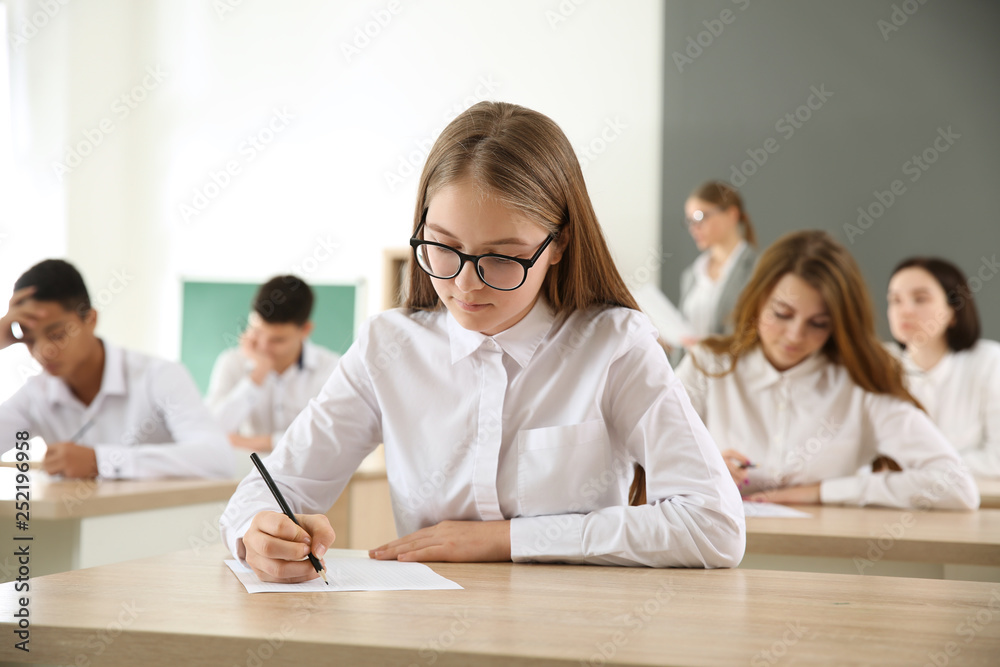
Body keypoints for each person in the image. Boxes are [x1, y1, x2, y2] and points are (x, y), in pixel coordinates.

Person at [220, 101, 745, 583]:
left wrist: (508, 539)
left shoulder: (614, 346)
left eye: (503, 256)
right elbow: (273, 488)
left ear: (559, 242)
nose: (466, 285)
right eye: (443, 248)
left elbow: (714, 524)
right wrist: (257, 535)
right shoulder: (388, 346)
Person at [675, 231, 978, 510]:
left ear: (837, 324)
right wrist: (700, 468)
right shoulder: (708, 364)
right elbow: (636, 463)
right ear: (757, 301)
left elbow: (957, 486)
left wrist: (820, 491)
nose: (794, 335)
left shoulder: (860, 381)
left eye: (818, 323)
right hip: (718, 549)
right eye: (782, 314)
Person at [0, 259, 233, 479]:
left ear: (90, 320)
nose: (43, 350)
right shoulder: (36, 393)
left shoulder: (159, 376)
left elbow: (217, 459)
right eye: (29, 339)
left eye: (57, 335)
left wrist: (100, 461)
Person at [886, 257, 1000, 477]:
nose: (905, 310)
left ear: (954, 310)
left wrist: (919, 470)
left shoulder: (990, 362)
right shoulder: (880, 363)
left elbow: (996, 459)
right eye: (895, 300)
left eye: (920, 299)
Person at [206, 275, 341, 452]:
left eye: (277, 340)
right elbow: (211, 431)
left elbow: (327, 437)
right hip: (244, 475)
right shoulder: (231, 362)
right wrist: (257, 376)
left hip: (305, 477)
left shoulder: (332, 369)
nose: (263, 346)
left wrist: (248, 442)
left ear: (305, 330)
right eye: (257, 331)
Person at [678, 181, 759, 348]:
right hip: (691, 371)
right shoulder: (691, 274)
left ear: (732, 215)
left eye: (700, 217)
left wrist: (712, 345)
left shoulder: (758, 268)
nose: (694, 228)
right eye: (689, 221)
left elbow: (755, 333)